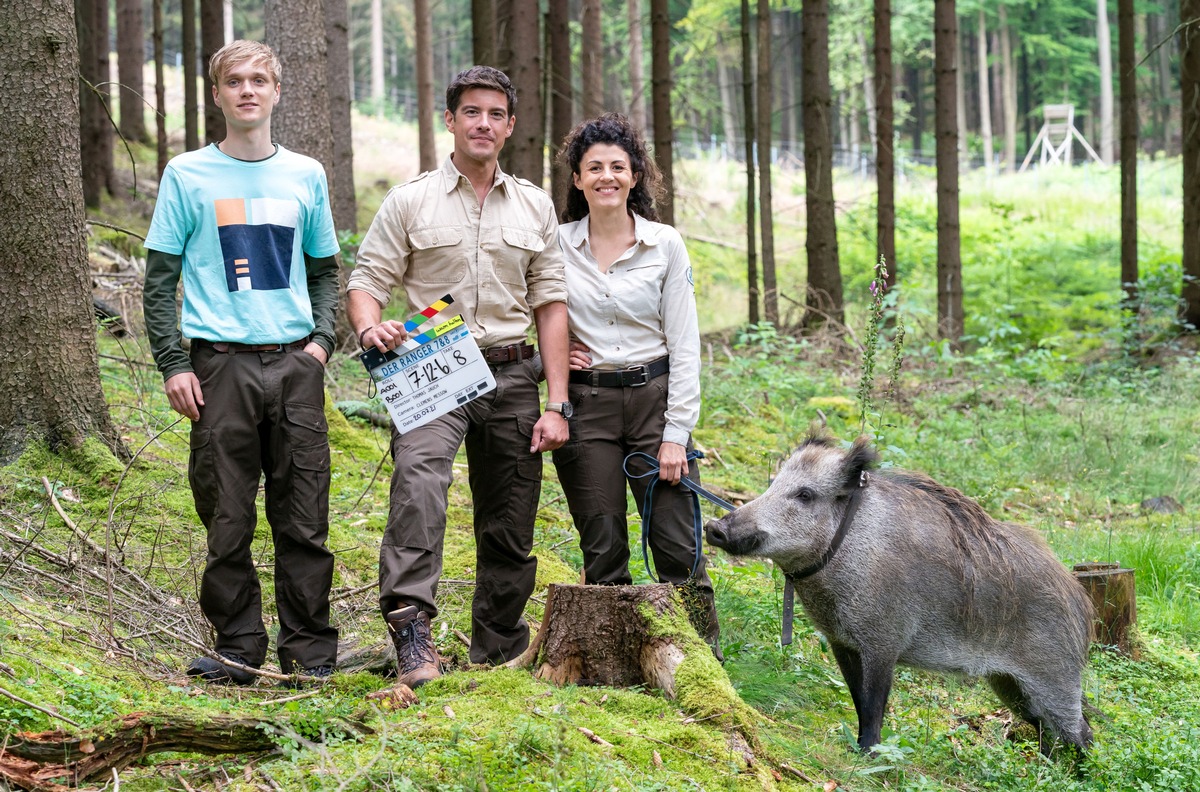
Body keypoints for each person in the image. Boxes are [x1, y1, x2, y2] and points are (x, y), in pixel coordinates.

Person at [347, 66, 570, 687]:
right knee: (419, 491)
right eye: (471, 112)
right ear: (450, 120)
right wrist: (370, 329)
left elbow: (552, 305)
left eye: (496, 114)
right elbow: (366, 282)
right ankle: (412, 635)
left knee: (512, 511)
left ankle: (497, 647)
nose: (483, 124)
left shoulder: (534, 204)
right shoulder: (410, 199)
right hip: (432, 370)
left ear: (510, 127)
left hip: (512, 371)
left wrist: (558, 402)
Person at [142, 40, 341, 685]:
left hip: (293, 364)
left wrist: (320, 345)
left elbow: (326, 271)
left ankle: (309, 652)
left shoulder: (306, 174)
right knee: (226, 514)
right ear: (219, 94)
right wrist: (174, 363)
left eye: (260, 80)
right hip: (217, 368)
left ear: (277, 92)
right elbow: (159, 277)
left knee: (304, 513)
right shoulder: (187, 174)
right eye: (235, 81)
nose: (248, 90)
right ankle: (239, 647)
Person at [551, 113, 721, 657]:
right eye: (593, 167)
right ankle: (617, 667)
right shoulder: (554, 246)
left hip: (656, 402)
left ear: (635, 175)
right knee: (603, 545)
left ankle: (703, 666)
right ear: (577, 179)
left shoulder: (664, 244)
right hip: (588, 405)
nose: (606, 176)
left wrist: (677, 435)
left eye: (617, 167)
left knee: (677, 545)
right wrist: (544, 360)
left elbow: (686, 343)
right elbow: (526, 316)